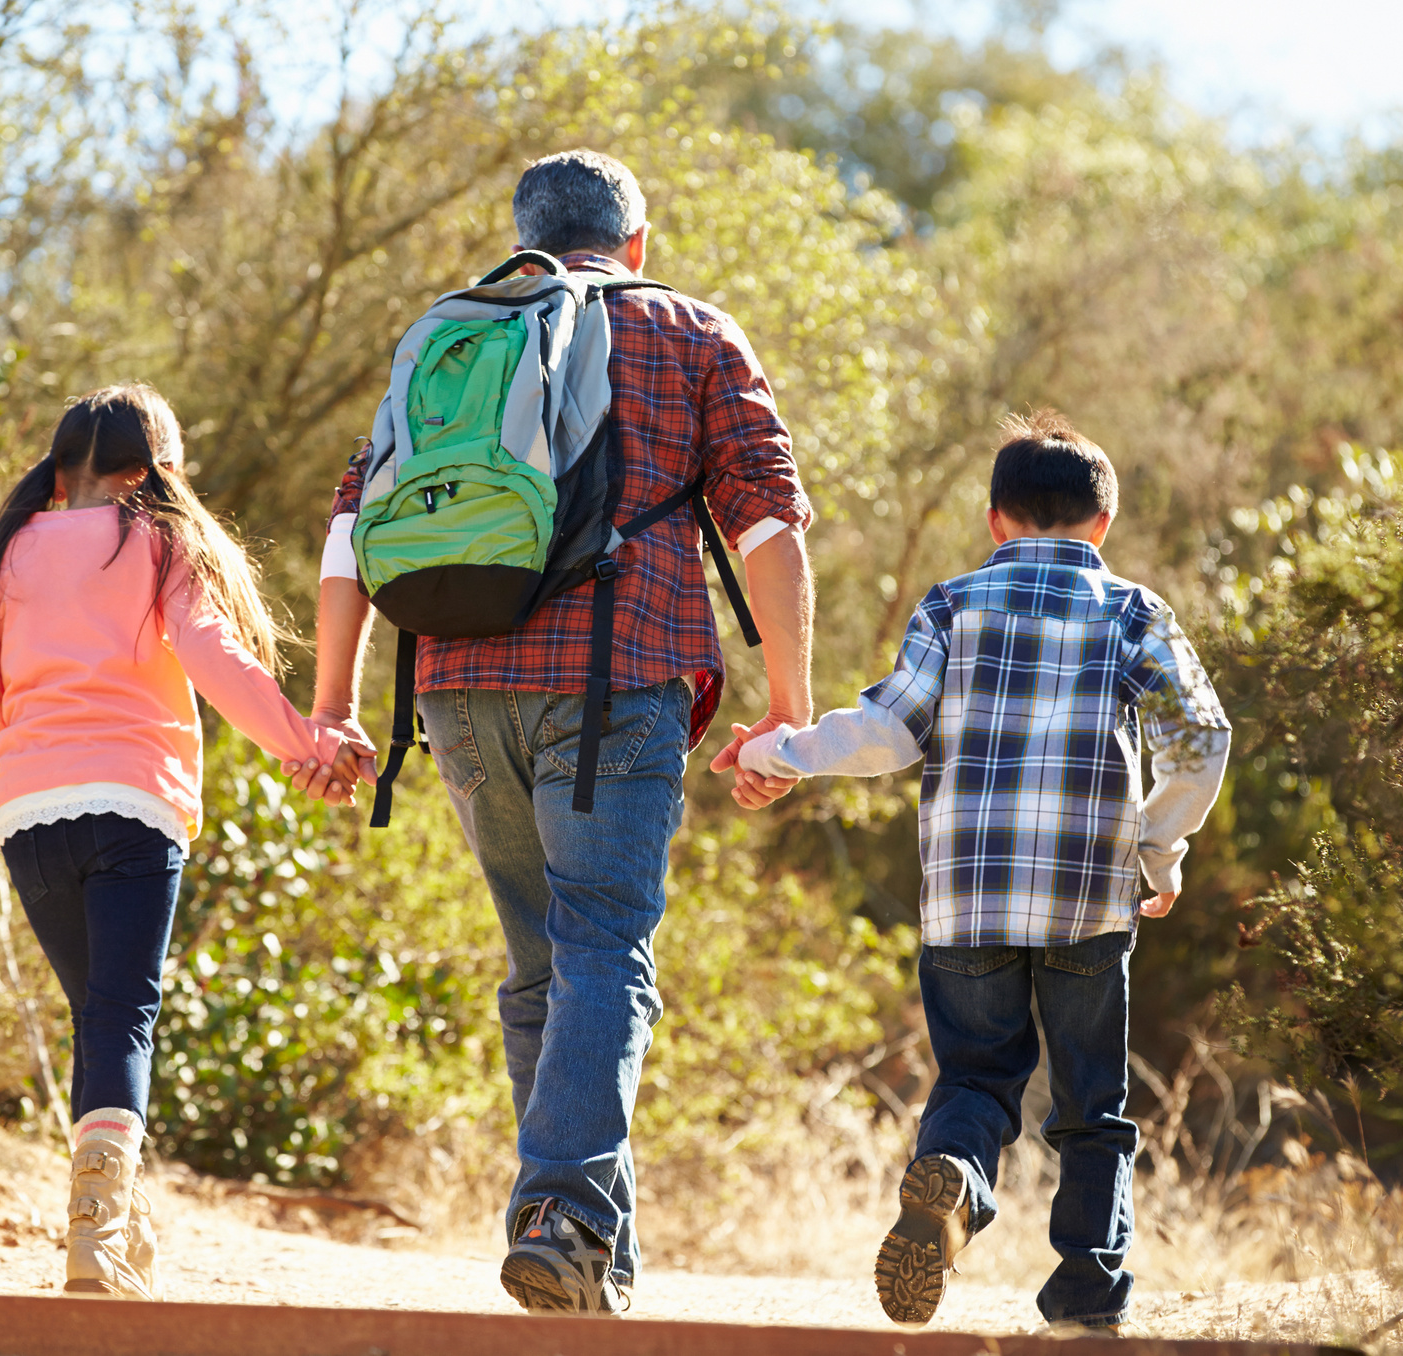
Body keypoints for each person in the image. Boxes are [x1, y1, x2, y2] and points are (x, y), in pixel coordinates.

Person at [290, 149, 816, 1313]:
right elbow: (767, 522)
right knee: (601, 950)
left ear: (525, 233)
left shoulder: (456, 330)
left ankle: (589, 1260)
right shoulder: (688, 330)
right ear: (637, 241)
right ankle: (565, 1213)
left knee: (544, 963)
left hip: (459, 692)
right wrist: (791, 706)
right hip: (614, 685)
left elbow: (349, 532)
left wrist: (329, 706)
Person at [728, 410, 1230, 1337]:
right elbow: (1200, 743)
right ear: (1103, 524)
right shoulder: (1133, 612)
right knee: (1091, 1108)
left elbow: (884, 736)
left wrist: (784, 750)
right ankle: (1084, 1299)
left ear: (994, 520)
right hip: (1089, 899)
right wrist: (1154, 850)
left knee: (973, 1081)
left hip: (966, 901)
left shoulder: (950, 605)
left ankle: (954, 1182)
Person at [0, 384, 353, 1298]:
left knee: (100, 1020)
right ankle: (98, 1235)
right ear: (153, 465)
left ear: (62, 464)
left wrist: (35, 769)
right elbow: (214, 659)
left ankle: (124, 1226)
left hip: (28, 814)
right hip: (132, 807)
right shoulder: (158, 540)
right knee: (122, 1018)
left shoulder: (11, 551)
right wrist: (304, 742)